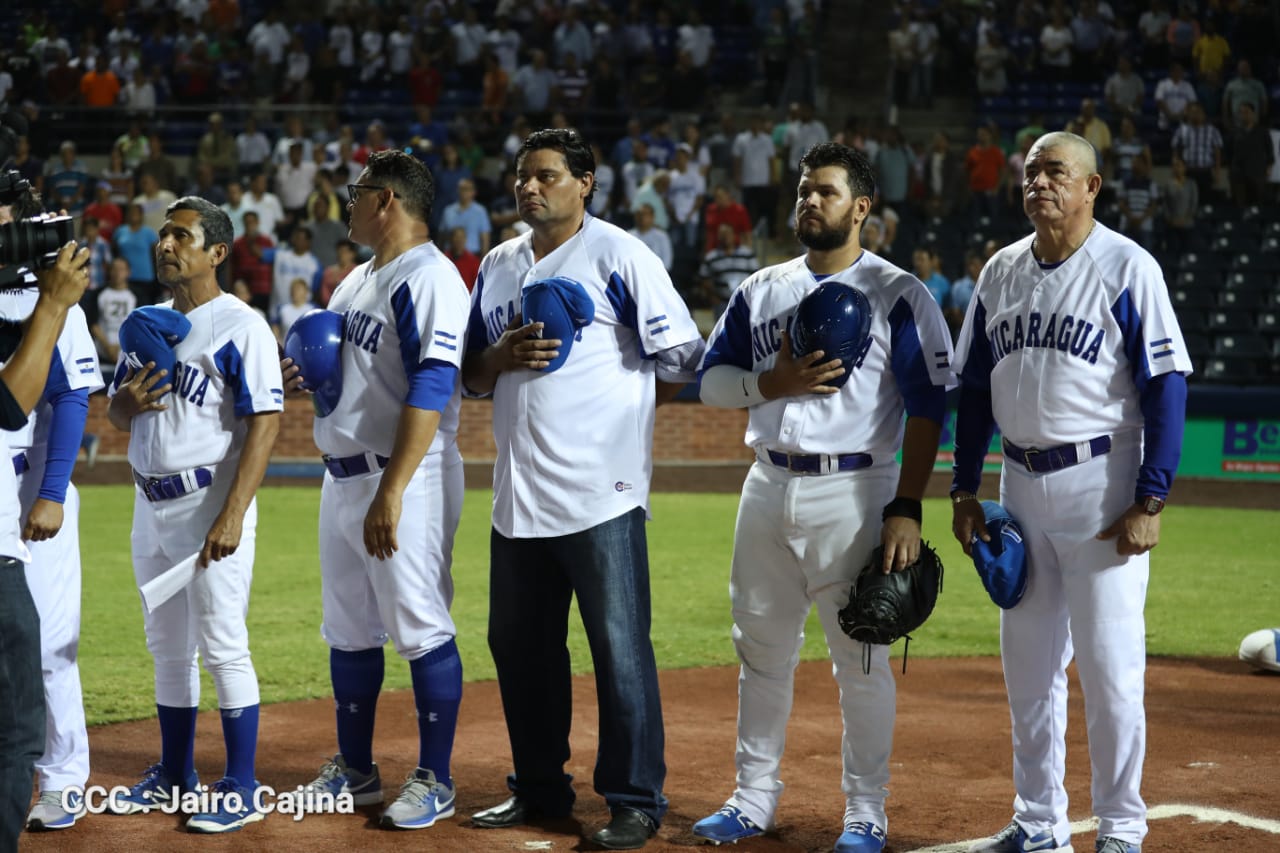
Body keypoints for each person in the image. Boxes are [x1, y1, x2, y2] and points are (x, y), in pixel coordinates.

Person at [691, 141, 953, 853]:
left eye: (825, 191)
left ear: (861, 206)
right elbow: (710, 382)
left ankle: (866, 810)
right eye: (804, 189)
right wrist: (768, 385)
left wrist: (907, 506)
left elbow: (929, 406)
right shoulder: (761, 287)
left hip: (856, 488)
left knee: (861, 658)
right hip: (766, 482)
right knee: (760, 650)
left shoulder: (901, 293)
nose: (809, 200)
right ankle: (752, 798)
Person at [462, 128, 704, 851]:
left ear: (586, 182)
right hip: (518, 495)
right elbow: (472, 375)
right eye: (522, 176)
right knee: (519, 647)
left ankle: (634, 799)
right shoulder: (499, 263)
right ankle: (539, 787)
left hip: (602, 493)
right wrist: (498, 356)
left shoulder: (621, 255)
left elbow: (681, 357)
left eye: (546, 175)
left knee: (619, 651)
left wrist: (621, 419)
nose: (529, 187)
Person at [950, 132, 1190, 853]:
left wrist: (1151, 499)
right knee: (1028, 671)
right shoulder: (1000, 271)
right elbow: (973, 389)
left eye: (1056, 171)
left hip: (1101, 488)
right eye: (1030, 173)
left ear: (1092, 187)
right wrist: (964, 488)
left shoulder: (1126, 266)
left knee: (1111, 672)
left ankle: (1120, 827)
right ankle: (1038, 822)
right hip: (1018, 484)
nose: (1039, 183)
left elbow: (1166, 386)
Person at [284, 151, 471, 833]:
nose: (348, 201)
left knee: (419, 625)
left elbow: (433, 383)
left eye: (357, 191)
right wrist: (310, 377)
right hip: (341, 475)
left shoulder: (430, 276)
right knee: (349, 627)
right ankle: (357, 770)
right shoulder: (356, 281)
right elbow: (349, 379)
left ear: (386, 199)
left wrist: (392, 490)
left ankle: (437, 778)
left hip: (403, 476)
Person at [104, 197, 282, 832]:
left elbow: (265, 423)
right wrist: (125, 405)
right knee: (167, 648)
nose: (166, 245)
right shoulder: (146, 323)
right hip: (148, 504)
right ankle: (176, 774)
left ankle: (242, 785)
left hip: (207, 501)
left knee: (223, 644)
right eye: (163, 234)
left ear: (217, 253)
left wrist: (233, 514)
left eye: (182, 236)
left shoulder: (240, 325)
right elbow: (117, 413)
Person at [0, 239, 91, 853]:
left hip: (30, 482)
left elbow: (72, 396)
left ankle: (62, 778)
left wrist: (52, 493)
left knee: (48, 645)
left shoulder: (50, 294)